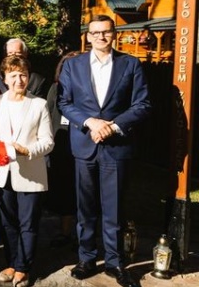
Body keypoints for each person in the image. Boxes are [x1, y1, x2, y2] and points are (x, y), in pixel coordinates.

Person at [58, 15, 151, 287]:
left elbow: (142, 104)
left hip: (116, 146)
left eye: (106, 32)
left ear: (114, 34)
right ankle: (86, 257)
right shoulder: (72, 65)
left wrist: (114, 125)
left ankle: (115, 262)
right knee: (85, 207)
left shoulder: (130, 64)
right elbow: (64, 102)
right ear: (88, 36)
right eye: (96, 33)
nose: (101, 37)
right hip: (85, 144)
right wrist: (91, 122)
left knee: (114, 208)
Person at [0, 56, 54, 287]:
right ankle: (12, 262)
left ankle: (24, 267)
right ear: (4, 78)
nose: (19, 80)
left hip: (30, 174)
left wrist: (28, 150)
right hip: (2, 173)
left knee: (28, 224)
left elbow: (48, 141)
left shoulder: (39, 104)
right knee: (7, 223)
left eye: (23, 74)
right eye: (13, 75)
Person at [44, 51, 81, 248]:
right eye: (67, 65)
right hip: (59, 146)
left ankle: (78, 232)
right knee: (64, 190)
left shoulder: (87, 89)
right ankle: (65, 230)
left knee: (80, 190)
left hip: (81, 145)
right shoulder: (55, 88)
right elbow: (48, 115)